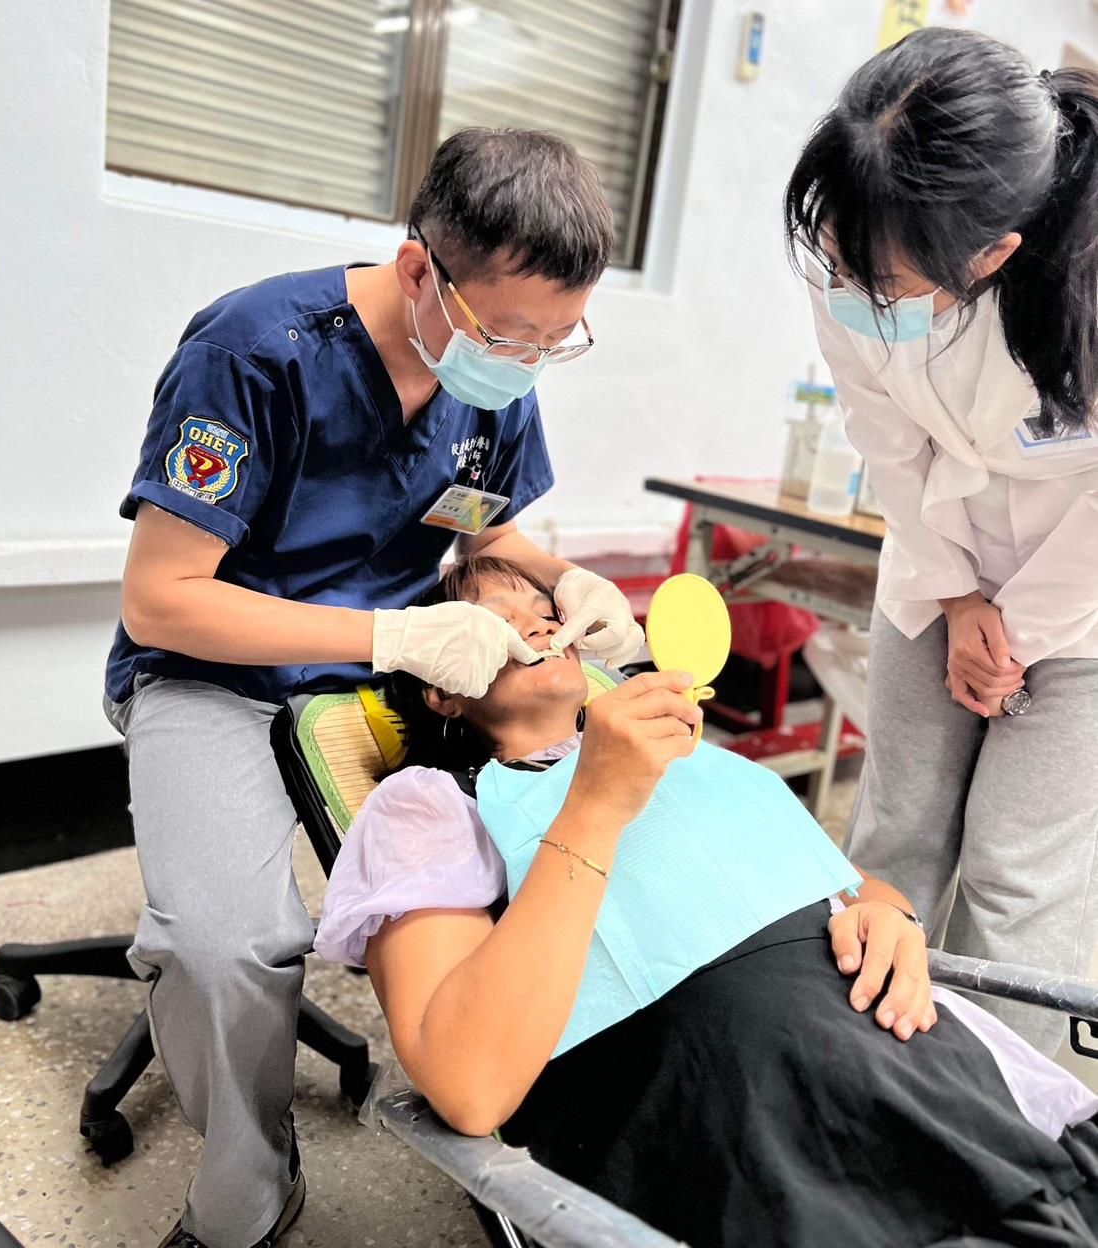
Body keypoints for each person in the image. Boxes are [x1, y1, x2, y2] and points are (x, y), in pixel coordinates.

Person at [103, 129, 645, 1248]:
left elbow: (476, 531)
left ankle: (551, 1159)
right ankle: (248, 1188)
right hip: (214, 676)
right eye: (507, 333)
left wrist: (562, 576)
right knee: (227, 942)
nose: (525, 359)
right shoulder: (255, 350)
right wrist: (390, 633)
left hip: (393, 675)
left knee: (559, 862)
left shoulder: (493, 375)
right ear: (417, 271)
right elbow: (161, 600)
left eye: (557, 339)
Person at [315, 554, 1098, 1248]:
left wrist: (890, 911)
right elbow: (467, 1083)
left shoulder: (680, 754)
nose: (539, 630)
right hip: (749, 1120)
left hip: (922, 1065)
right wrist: (594, 803)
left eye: (548, 615)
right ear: (440, 692)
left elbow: (836, 887)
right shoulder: (428, 804)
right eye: (498, 625)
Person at [784, 27, 1098, 1055]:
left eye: (890, 279)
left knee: (1015, 879)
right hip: (935, 559)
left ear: (991, 254)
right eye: (838, 256)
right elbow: (888, 441)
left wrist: (1016, 634)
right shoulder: (856, 249)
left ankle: (1001, 1125)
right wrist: (958, 598)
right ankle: (866, 1086)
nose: (851, 291)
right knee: (894, 838)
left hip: (1080, 601)